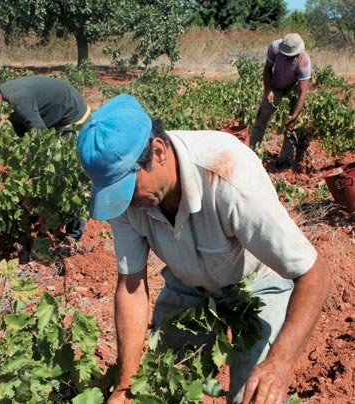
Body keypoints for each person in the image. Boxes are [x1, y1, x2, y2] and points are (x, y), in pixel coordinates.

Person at [76, 94, 331, 404]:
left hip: (260, 287)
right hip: (188, 286)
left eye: (127, 189)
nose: (125, 202)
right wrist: (127, 384)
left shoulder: (229, 178)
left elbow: (313, 274)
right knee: (164, 390)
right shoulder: (126, 200)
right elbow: (131, 286)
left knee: (251, 397)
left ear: (158, 152)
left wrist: (278, 364)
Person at [0, 75, 91, 240]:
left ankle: (74, 236)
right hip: (52, 119)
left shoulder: (19, 100)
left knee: (69, 177)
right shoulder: (7, 99)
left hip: (72, 116)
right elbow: (25, 134)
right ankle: (48, 215)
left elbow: (43, 140)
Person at [249, 33, 312, 165]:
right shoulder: (274, 47)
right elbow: (267, 69)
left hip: (293, 89)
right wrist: (268, 89)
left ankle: (285, 159)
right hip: (275, 86)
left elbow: (302, 92)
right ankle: (252, 152)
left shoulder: (304, 61)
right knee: (261, 117)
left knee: (291, 125)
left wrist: (294, 115)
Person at [0, 75, 91, 137]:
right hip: (55, 114)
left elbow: (42, 136)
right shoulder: (5, 96)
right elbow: (22, 128)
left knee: (66, 164)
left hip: (73, 114)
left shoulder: (19, 100)